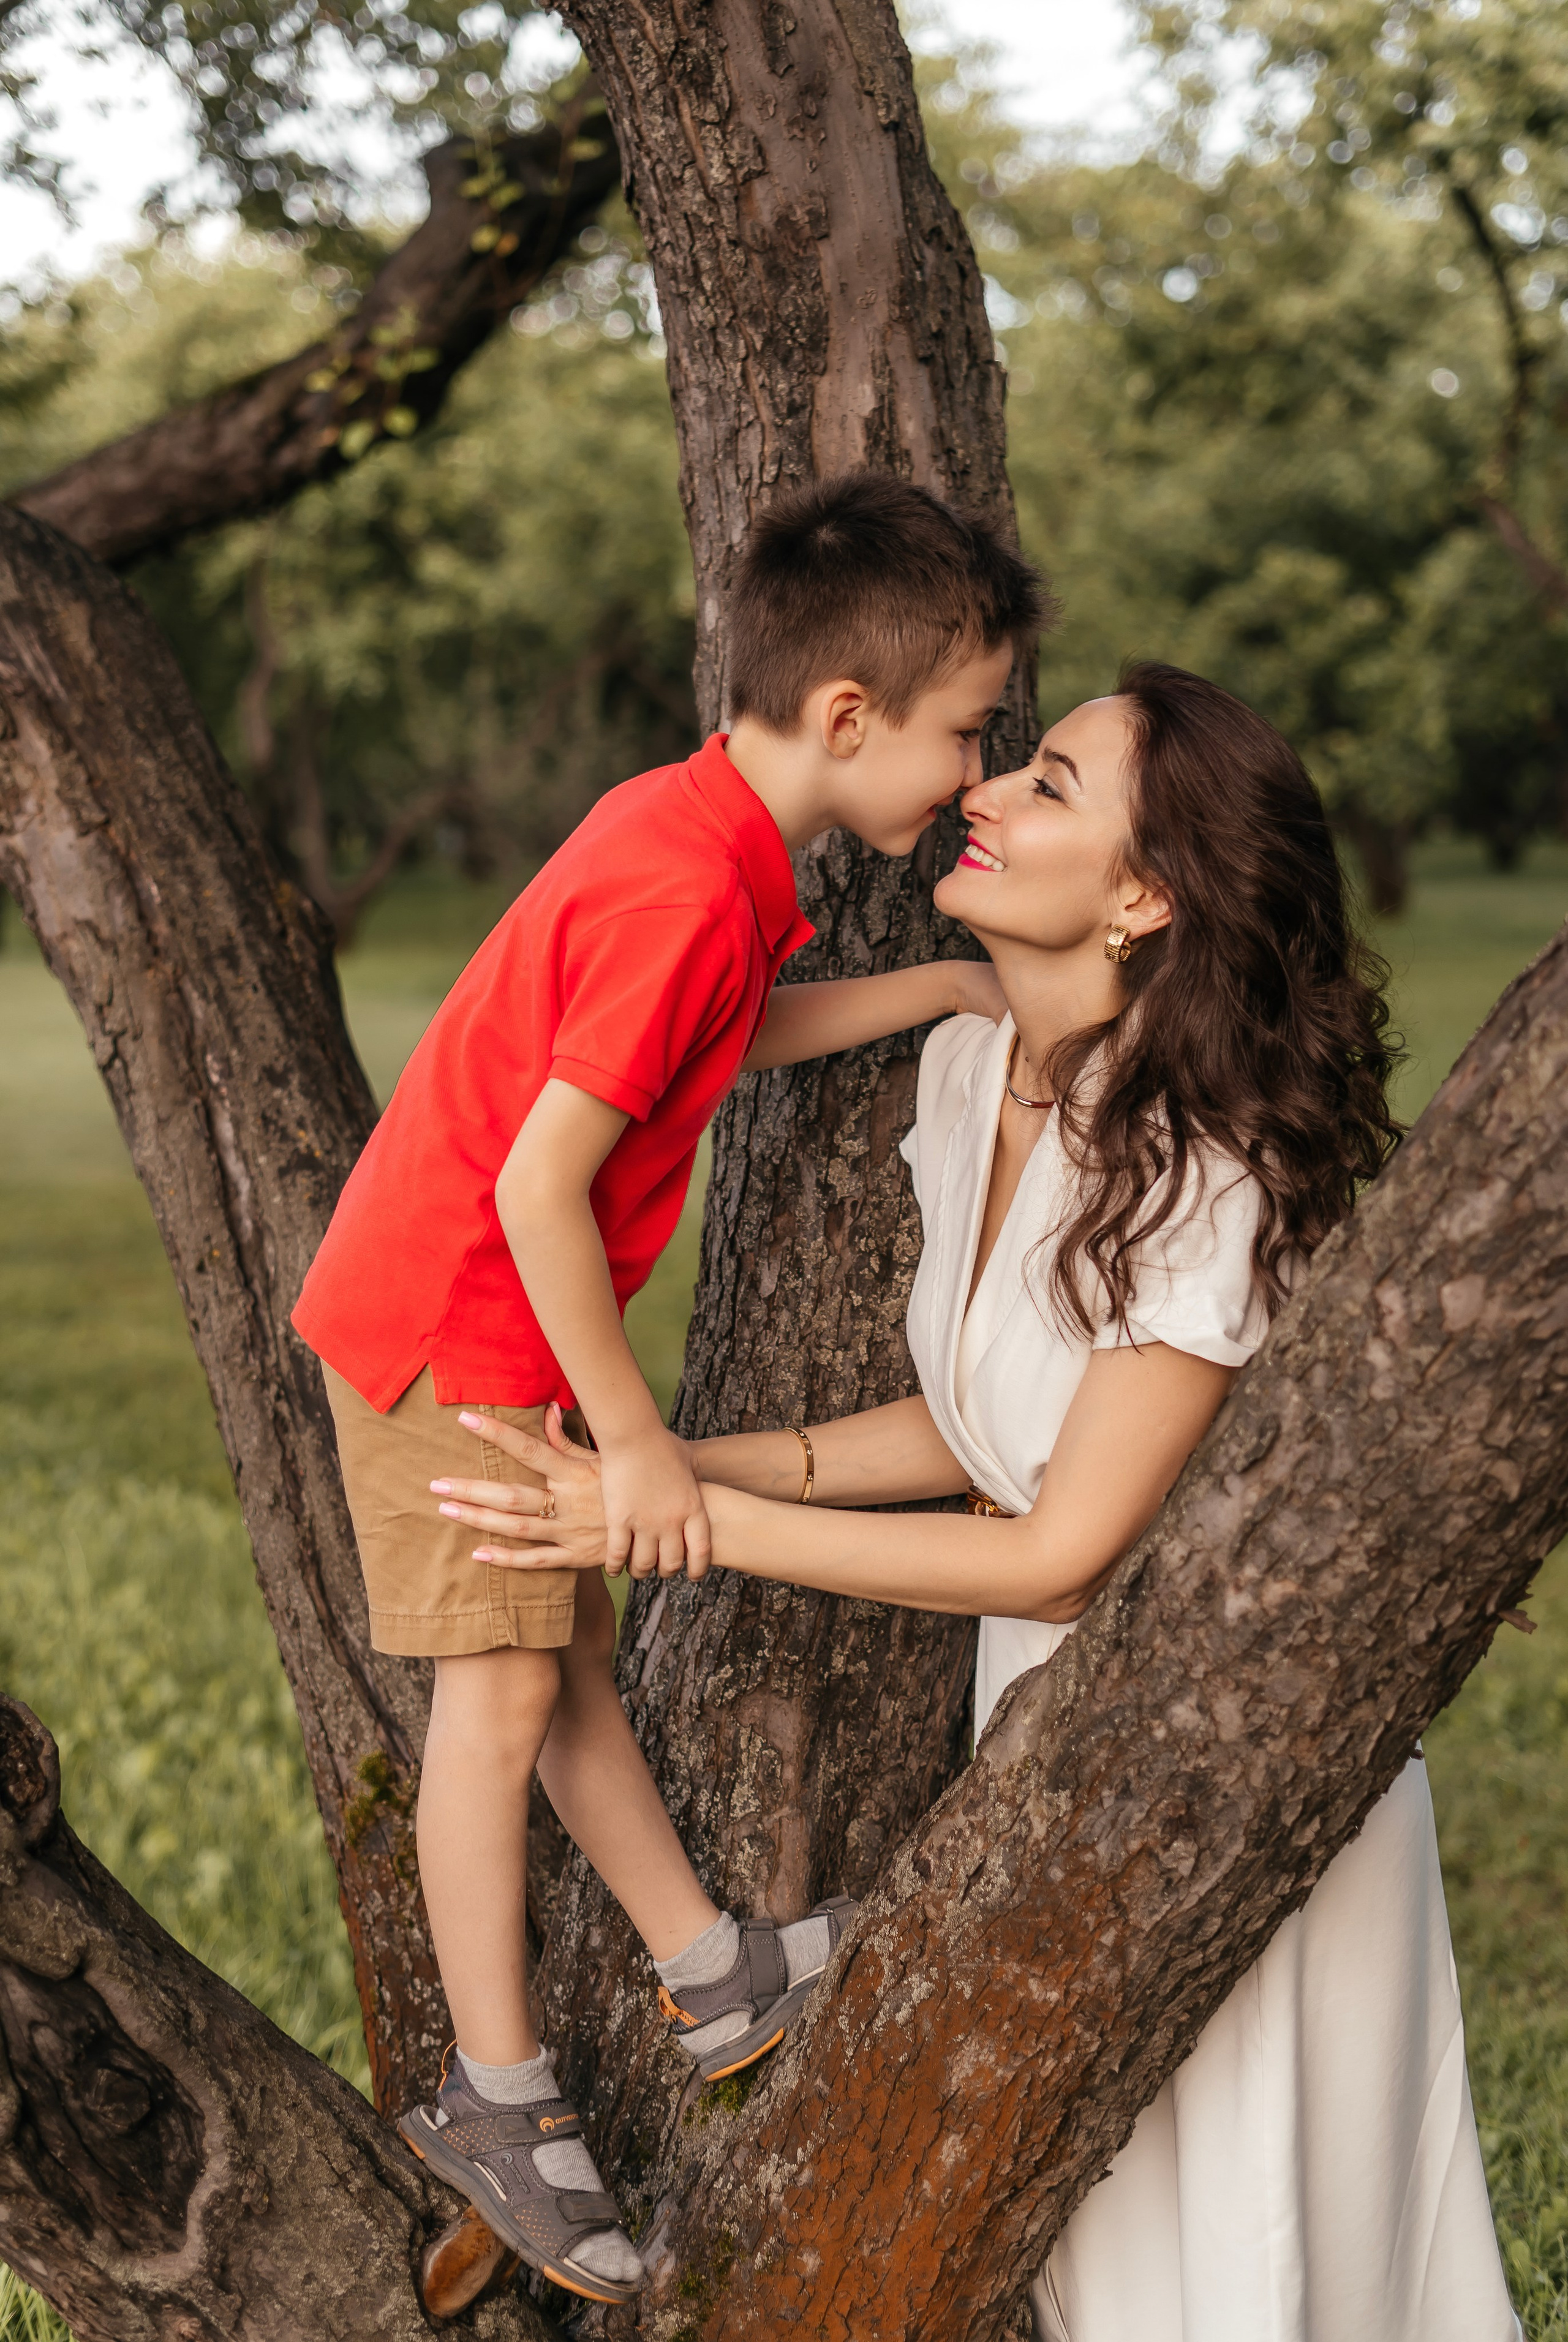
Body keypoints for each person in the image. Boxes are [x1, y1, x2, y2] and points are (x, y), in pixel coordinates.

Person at [439, 663, 1523, 2341]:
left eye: (1052, 785)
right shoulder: (975, 1074)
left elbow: (1066, 1549)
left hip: (1229, 1757)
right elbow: (978, 1433)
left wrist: (665, 1527)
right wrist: (656, 1461)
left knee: (1249, 2250)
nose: (988, 795)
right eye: (1006, 763)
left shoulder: (1213, 1162)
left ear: (1147, 894)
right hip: (1050, 1745)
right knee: (1105, 2255)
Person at [290, 471, 1049, 2306]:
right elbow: (541, 1180)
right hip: (452, 1334)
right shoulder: (683, 883)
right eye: (964, 736)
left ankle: (715, 1972)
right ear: (849, 717)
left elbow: (734, 1036)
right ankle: (497, 2095)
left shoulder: (705, 845)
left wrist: (941, 984)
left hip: (475, 1327)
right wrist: (634, 1444)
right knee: (497, 1701)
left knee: (563, 1681)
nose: (969, 779)